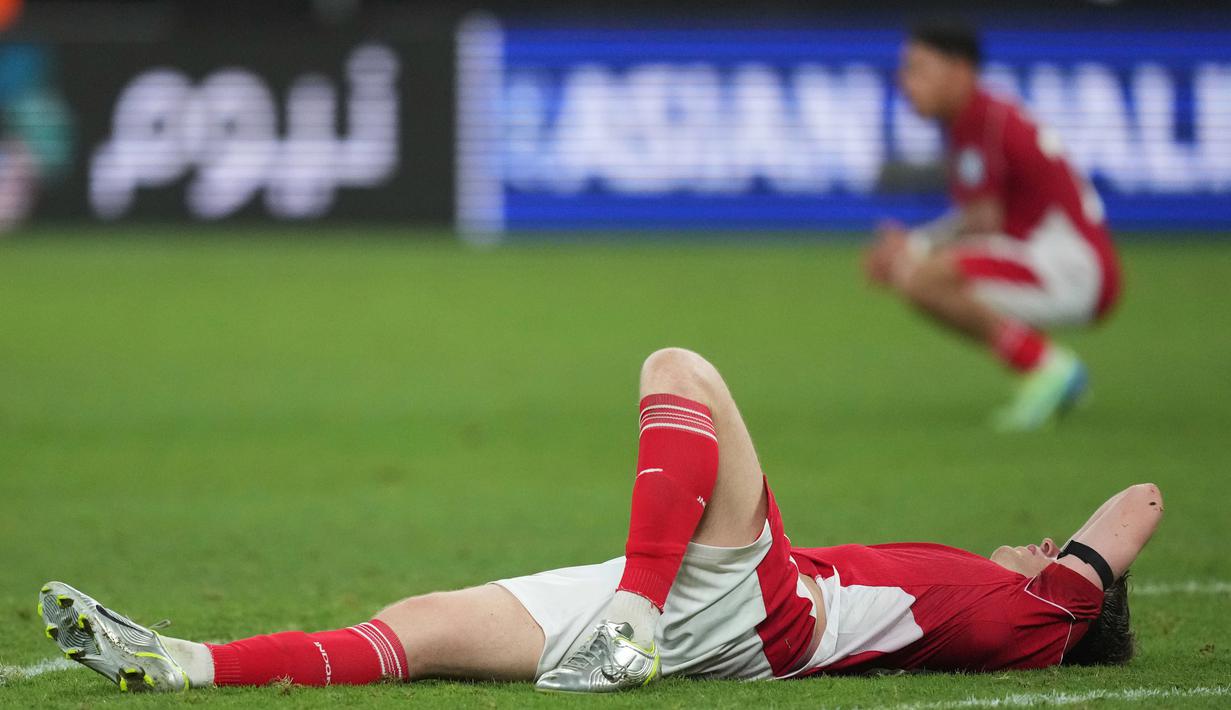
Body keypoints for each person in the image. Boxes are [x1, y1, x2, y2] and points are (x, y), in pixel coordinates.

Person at [39, 349, 1160, 693]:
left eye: (1051, 548)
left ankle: (633, 605)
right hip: (713, 606)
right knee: (420, 626)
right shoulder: (999, 592)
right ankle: (185, 662)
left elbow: (1142, 499)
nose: (1032, 541)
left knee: (680, 368)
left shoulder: (1039, 612)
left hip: (757, 609)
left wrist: (1080, 569)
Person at [865, 23, 1121, 431]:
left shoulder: (981, 120)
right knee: (923, 274)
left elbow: (984, 221)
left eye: (919, 69)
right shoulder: (982, 116)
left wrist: (914, 245)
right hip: (1062, 260)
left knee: (924, 278)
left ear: (960, 71)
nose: (906, 82)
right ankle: (1045, 367)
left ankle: (1048, 368)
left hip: (1069, 265)